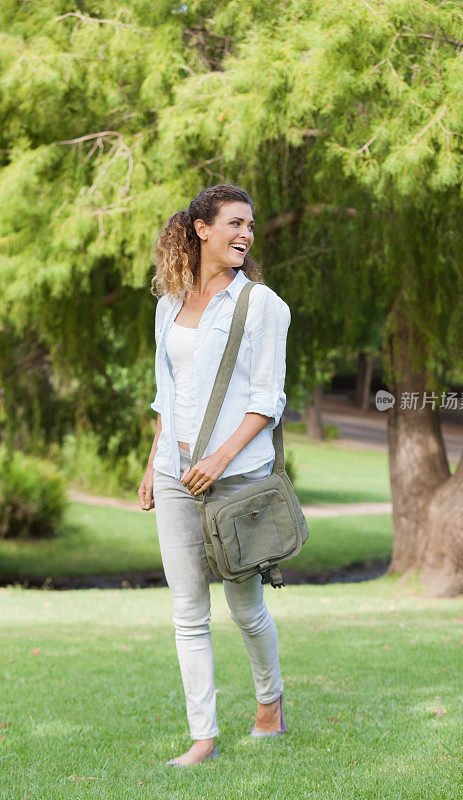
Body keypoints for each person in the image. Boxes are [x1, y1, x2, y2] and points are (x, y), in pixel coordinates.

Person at [137, 184, 291, 766]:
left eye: (250, 225)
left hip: (235, 479)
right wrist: (157, 464)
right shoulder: (169, 303)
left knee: (246, 607)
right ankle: (203, 735)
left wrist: (219, 459)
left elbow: (267, 398)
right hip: (176, 473)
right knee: (187, 611)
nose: (245, 234)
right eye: (234, 223)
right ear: (201, 228)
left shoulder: (262, 306)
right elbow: (165, 394)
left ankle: (270, 705)